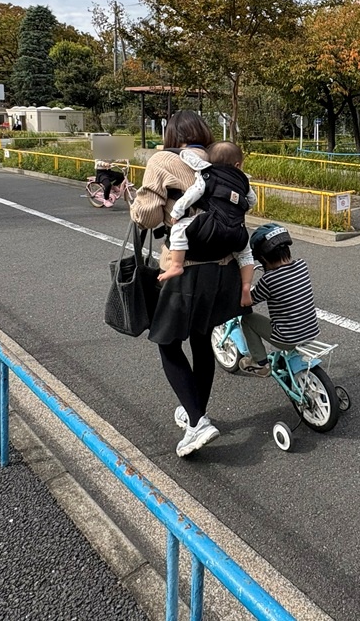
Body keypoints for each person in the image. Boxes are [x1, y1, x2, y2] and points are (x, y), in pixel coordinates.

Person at [130, 111, 255, 458]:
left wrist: (136, 201)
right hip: (225, 268)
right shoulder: (222, 162)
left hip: (186, 270)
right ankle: (193, 412)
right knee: (202, 342)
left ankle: (198, 421)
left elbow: (148, 215)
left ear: (172, 135)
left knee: (167, 341)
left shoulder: (163, 160)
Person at [158, 140, 255, 282]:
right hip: (236, 230)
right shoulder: (244, 181)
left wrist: (176, 213)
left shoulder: (207, 175)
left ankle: (176, 265)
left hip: (211, 226)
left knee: (179, 228)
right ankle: (246, 286)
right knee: (246, 253)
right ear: (238, 165)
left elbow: (192, 194)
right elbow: (252, 201)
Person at [237, 223, 321, 377]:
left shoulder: (269, 279)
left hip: (288, 339)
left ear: (262, 258)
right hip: (311, 331)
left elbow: (248, 301)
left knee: (248, 319)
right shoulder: (302, 266)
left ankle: (260, 363)